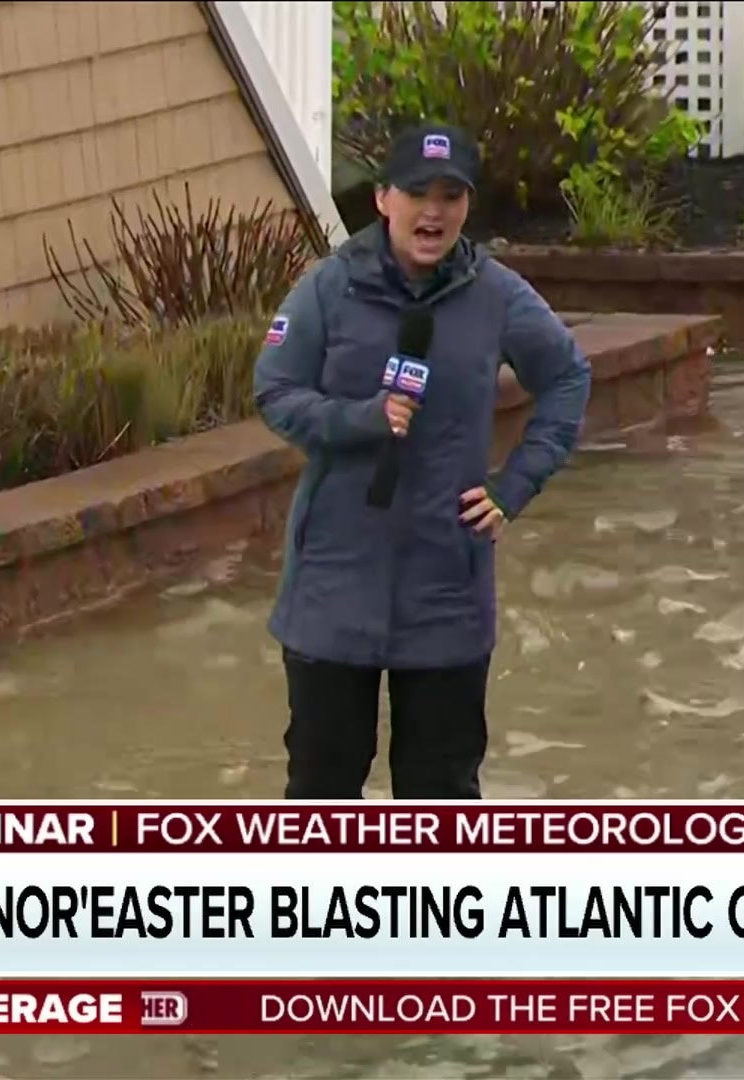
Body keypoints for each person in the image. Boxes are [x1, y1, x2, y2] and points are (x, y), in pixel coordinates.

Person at [253, 122, 592, 800]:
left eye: (451, 195)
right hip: (334, 586)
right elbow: (275, 390)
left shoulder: (496, 295)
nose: (433, 212)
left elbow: (567, 377)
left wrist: (514, 485)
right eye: (417, 192)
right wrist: (359, 418)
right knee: (320, 792)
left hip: (446, 591)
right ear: (382, 198)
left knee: (441, 799)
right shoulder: (330, 289)